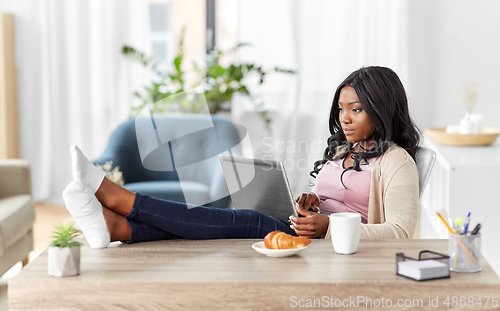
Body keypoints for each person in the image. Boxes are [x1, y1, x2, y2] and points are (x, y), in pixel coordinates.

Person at [63, 66, 421, 249]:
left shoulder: (396, 162)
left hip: (335, 250)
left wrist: (329, 228)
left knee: (247, 222)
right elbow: (331, 203)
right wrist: (312, 205)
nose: (344, 118)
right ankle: (118, 227)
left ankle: (119, 200)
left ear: (381, 109)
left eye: (356, 110)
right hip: (311, 234)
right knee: (227, 220)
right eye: (341, 109)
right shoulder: (344, 149)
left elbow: (401, 232)